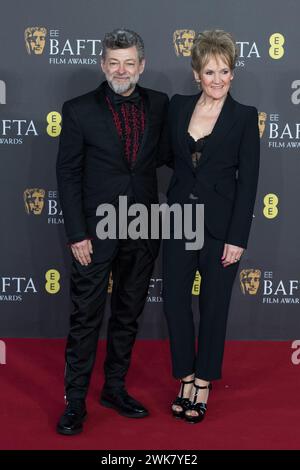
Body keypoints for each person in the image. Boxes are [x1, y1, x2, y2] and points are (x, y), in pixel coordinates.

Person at [56, 28, 169, 435]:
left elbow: (175, 155)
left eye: (129, 63)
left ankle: (115, 389)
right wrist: (76, 234)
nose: (121, 70)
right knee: (86, 318)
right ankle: (74, 402)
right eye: (113, 62)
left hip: (142, 228)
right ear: (103, 64)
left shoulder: (159, 104)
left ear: (142, 65)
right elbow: (67, 174)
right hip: (94, 234)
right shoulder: (78, 109)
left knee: (127, 314)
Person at [163, 30, 260, 424]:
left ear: (233, 74)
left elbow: (249, 181)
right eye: (209, 71)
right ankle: (185, 375)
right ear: (195, 74)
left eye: (224, 71)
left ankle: (203, 382)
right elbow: (168, 157)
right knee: (173, 303)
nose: (217, 79)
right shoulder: (177, 106)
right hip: (178, 222)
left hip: (221, 229)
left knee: (214, 307)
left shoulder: (243, 116)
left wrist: (237, 238)